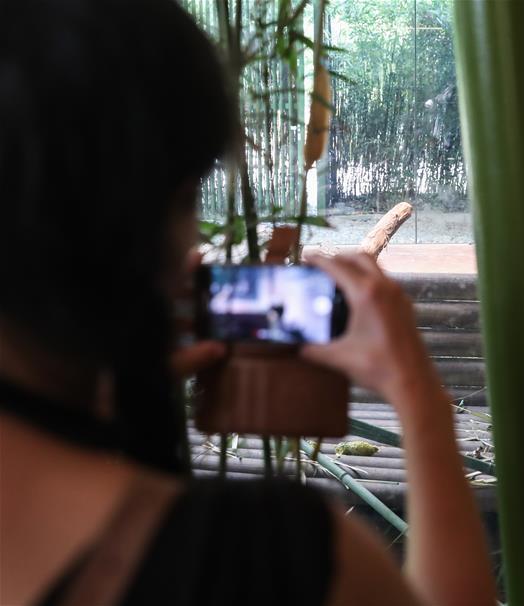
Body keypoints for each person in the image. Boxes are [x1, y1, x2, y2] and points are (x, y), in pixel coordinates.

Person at [0, 1, 495, 604]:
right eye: (190, 202)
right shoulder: (276, 557)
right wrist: (422, 404)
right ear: (157, 218)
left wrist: (117, 406)